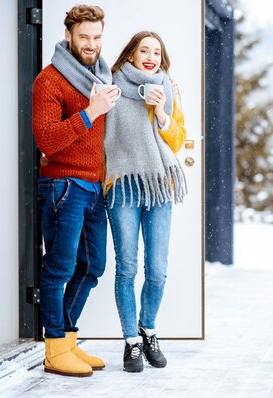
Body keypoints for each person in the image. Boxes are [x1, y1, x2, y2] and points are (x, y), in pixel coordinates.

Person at [32, 4, 120, 377]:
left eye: (97, 37)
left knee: (91, 267)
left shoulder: (100, 75)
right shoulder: (49, 80)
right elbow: (48, 140)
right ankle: (54, 349)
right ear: (68, 35)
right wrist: (91, 111)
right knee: (60, 267)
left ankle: (67, 339)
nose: (91, 44)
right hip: (63, 184)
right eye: (84, 37)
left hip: (93, 187)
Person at [104, 31, 187, 372]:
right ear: (131, 55)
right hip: (123, 185)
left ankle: (148, 329)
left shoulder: (167, 88)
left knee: (157, 271)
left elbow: (178, 139)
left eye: (156, 51)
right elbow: (101, 134)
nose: (151, 55)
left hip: (159, 185)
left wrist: (162, 112)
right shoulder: (111, 85)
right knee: (126, 267)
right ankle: (131, 343)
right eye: (144, 50)